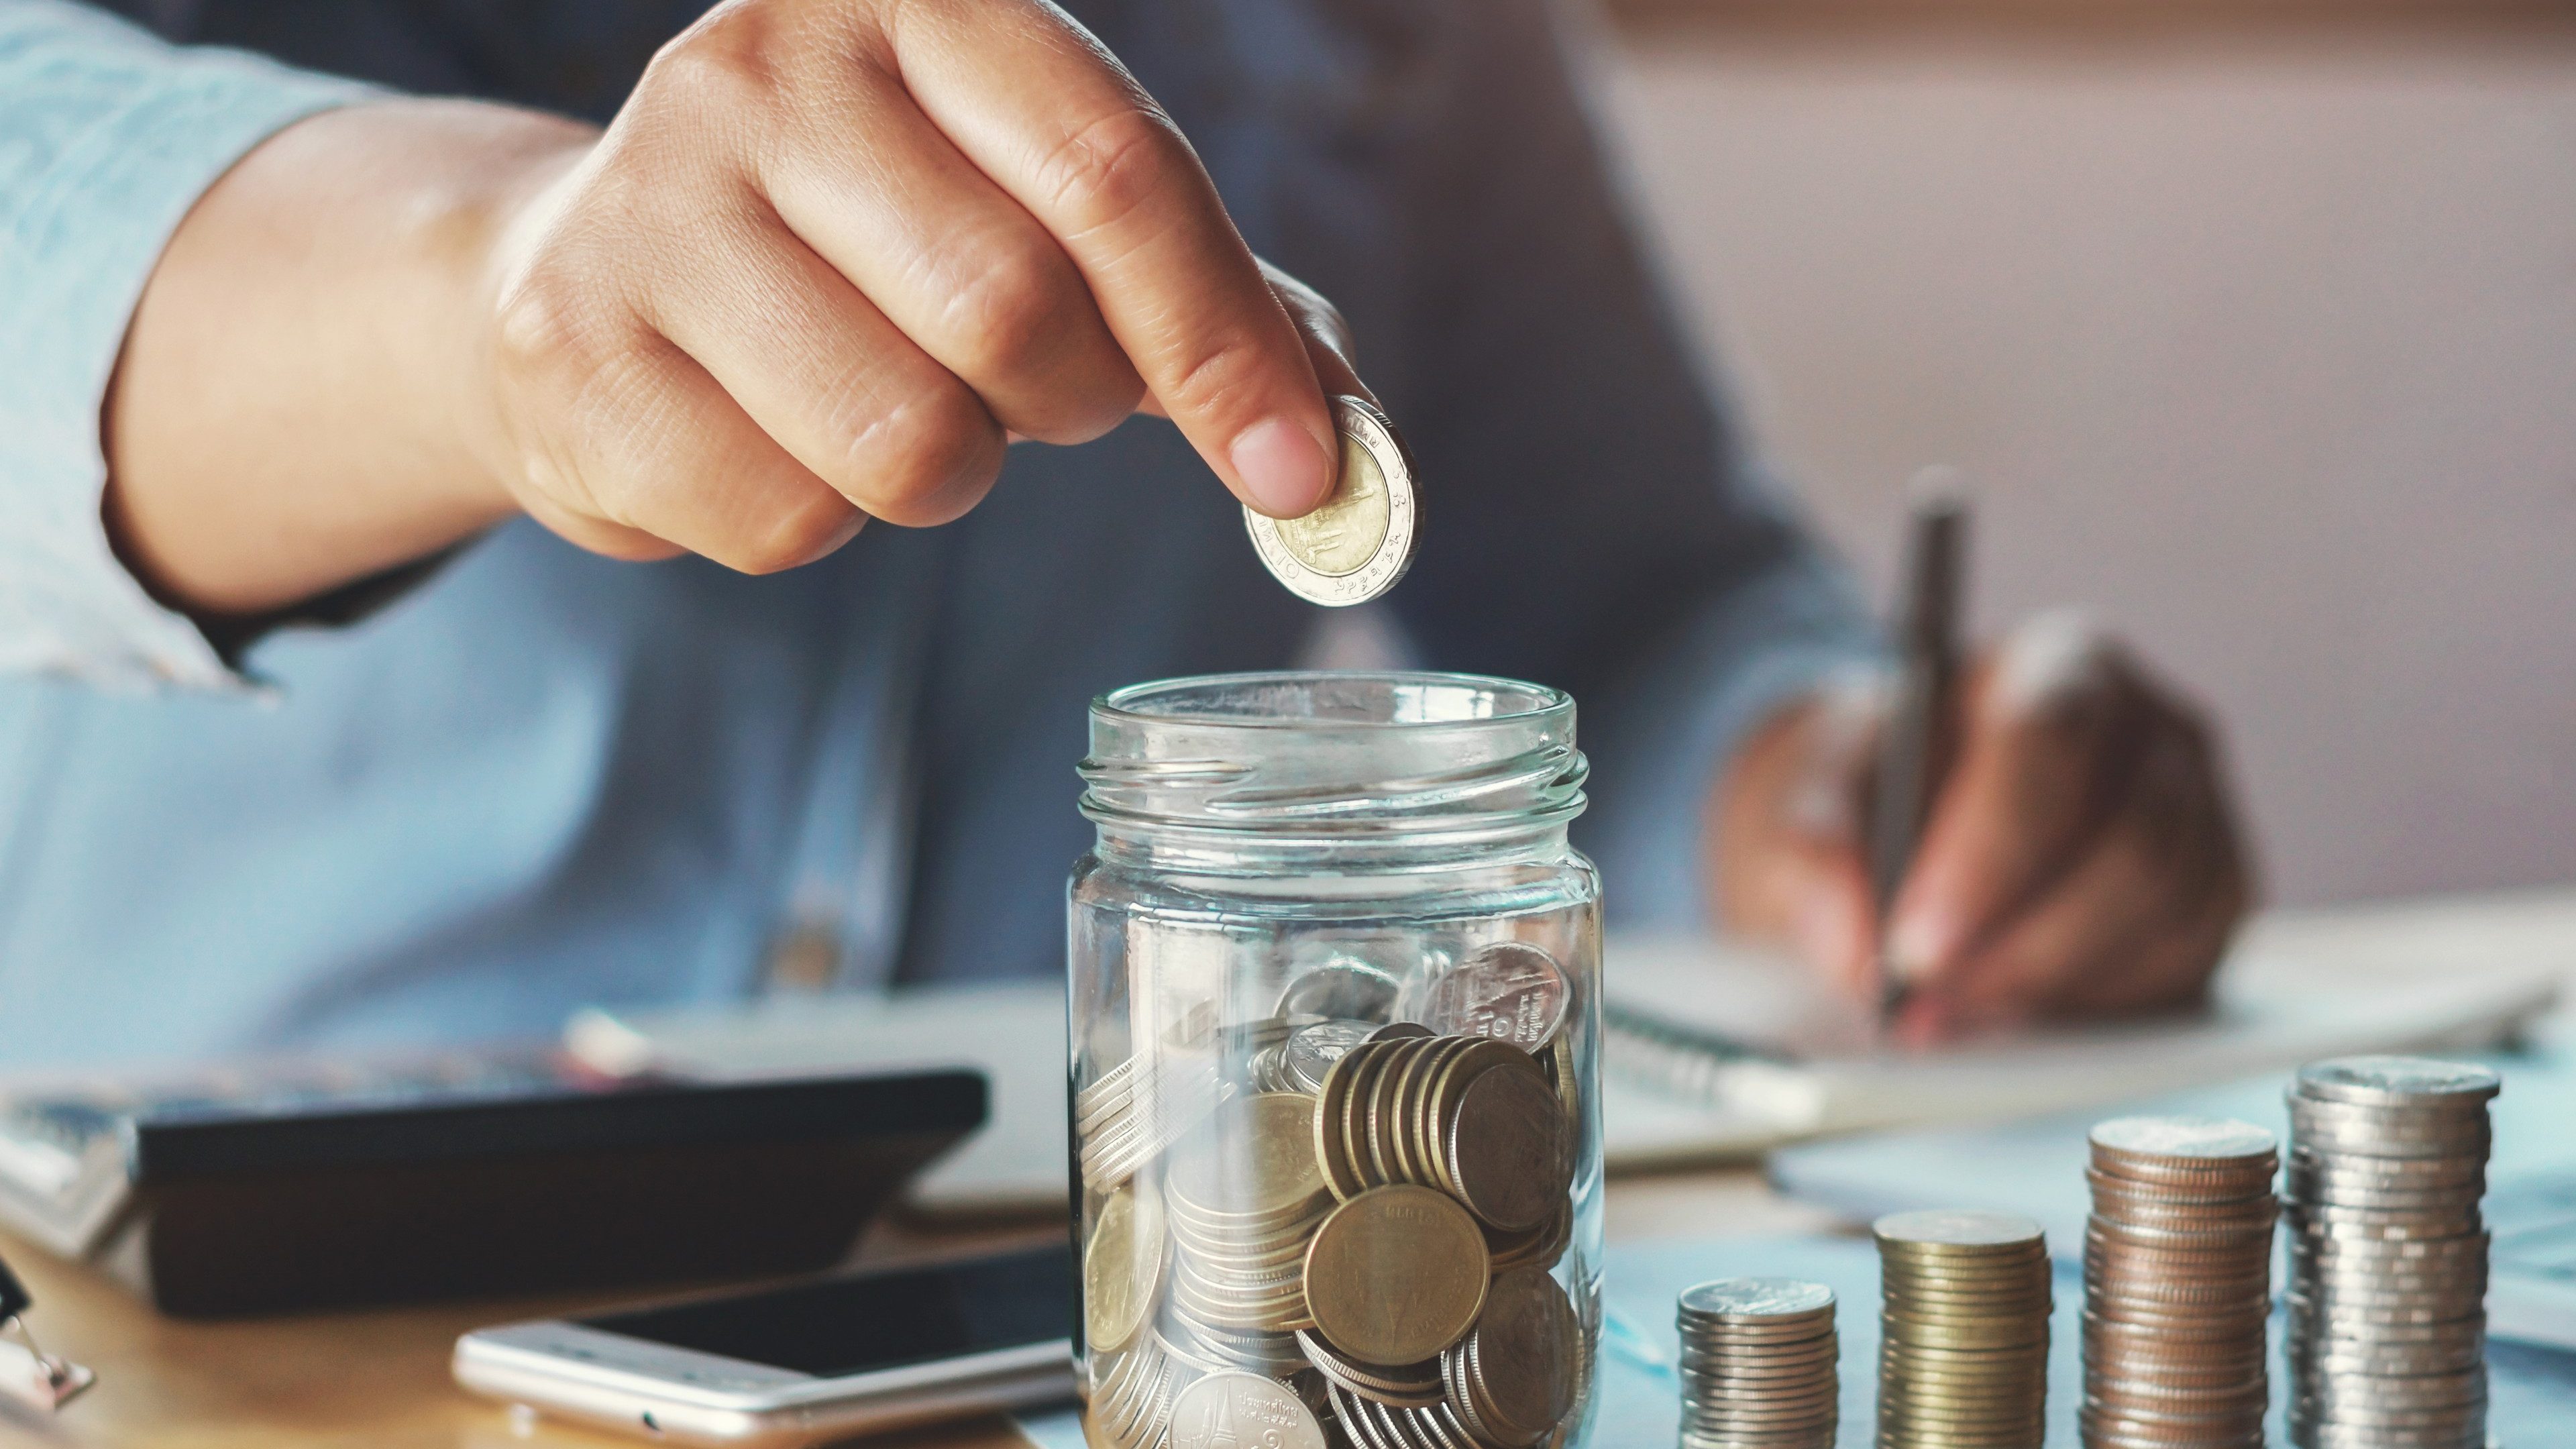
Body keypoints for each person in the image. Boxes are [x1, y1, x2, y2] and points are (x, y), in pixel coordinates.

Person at [0, 0, 2248, 1068]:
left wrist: (1815, 789)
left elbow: (1631, 610)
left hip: (1078, 1317)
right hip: (239, 1325)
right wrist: (498, 287)